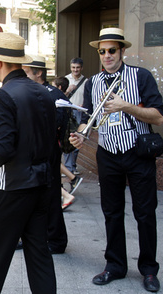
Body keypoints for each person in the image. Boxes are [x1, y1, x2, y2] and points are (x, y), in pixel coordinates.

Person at [69, 27, 162, 293]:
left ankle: (148, 270)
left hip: (137, 152)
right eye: (102, 51)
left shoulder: (140, 77)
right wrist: (80, 134)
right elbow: (88, 118)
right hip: (108, 153)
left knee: (144, 214)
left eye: (112, 50)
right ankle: (115, 265)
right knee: (111, 212)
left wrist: (126, 106)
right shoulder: (94, 82)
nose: (107, 55)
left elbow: (159, 116)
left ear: (122, 51)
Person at [0, 32, 57, 294]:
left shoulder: (3, 95)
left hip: (13, 190)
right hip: (42, 186)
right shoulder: (43, 91)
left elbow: (2, 151)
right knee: (39, 256)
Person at [23, 55, 69, 254]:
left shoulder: (54, 95)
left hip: (48, 151)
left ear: (38, 72)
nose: (23, 76)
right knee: (30, 196)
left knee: (50, 195)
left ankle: (57, 240)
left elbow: (58, 123)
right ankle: (33, 237)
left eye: (26, 71)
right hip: (30, 151)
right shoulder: (30, 91)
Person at [63, 58, 87, 175]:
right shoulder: (66, 79)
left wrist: (84, 105)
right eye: (73, 67)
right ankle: (68, 168)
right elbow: (61, 96)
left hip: (80, 112)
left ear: (81, 68)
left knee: (77, 139)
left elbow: (89, 98)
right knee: (68, 138)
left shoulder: (86, 81)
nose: (75, 70)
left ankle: (72, 166)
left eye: (77, 67)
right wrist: (68, 90)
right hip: (68, 111)